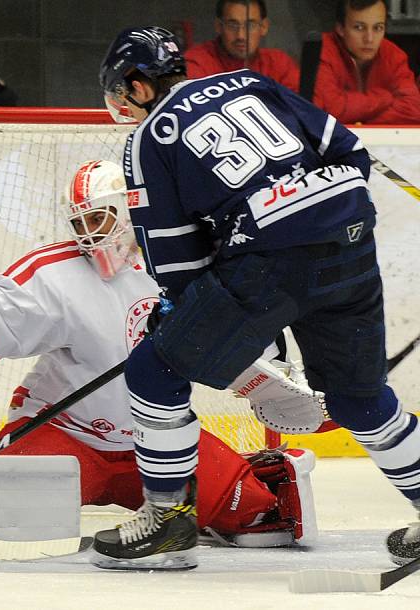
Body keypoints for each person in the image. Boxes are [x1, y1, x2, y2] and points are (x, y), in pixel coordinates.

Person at [0, 159, 320, 548]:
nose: (88, 233)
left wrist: (270, 379)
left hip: (157, 444)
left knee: (258, 518)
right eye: (79, 220)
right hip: (63, 436)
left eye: (98, 218)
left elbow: (242, 334)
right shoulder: (58, 276)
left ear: (129, 212)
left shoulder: (184, 263)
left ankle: (258, 471)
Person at [97, 26, 420, 570]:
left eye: (122, 92)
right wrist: (319, 213)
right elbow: (349, 149)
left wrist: (181, 313)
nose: (123, 105)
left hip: (272, 260)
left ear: (139, 85)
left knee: (155, 370)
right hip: (350, 241)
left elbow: (175, 256)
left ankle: (168, 519)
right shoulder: (250, 81)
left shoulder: (151, 138)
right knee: (356, 399)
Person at [312, 0, 420, 124]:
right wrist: (384, 97)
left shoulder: (393, 55)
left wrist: (360, 122)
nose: (369, 38)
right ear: (340, 28)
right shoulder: (321, 51)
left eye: (378, 28)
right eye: (359, 27)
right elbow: (328, 110)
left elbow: (413, 110)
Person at [185, 0, 299, 92]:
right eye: (232, 25)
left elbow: (301, 111)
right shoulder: (197, 61)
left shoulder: (278, 62)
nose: (241, 36)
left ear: (264, 27)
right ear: (219, 26)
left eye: (250, 25)